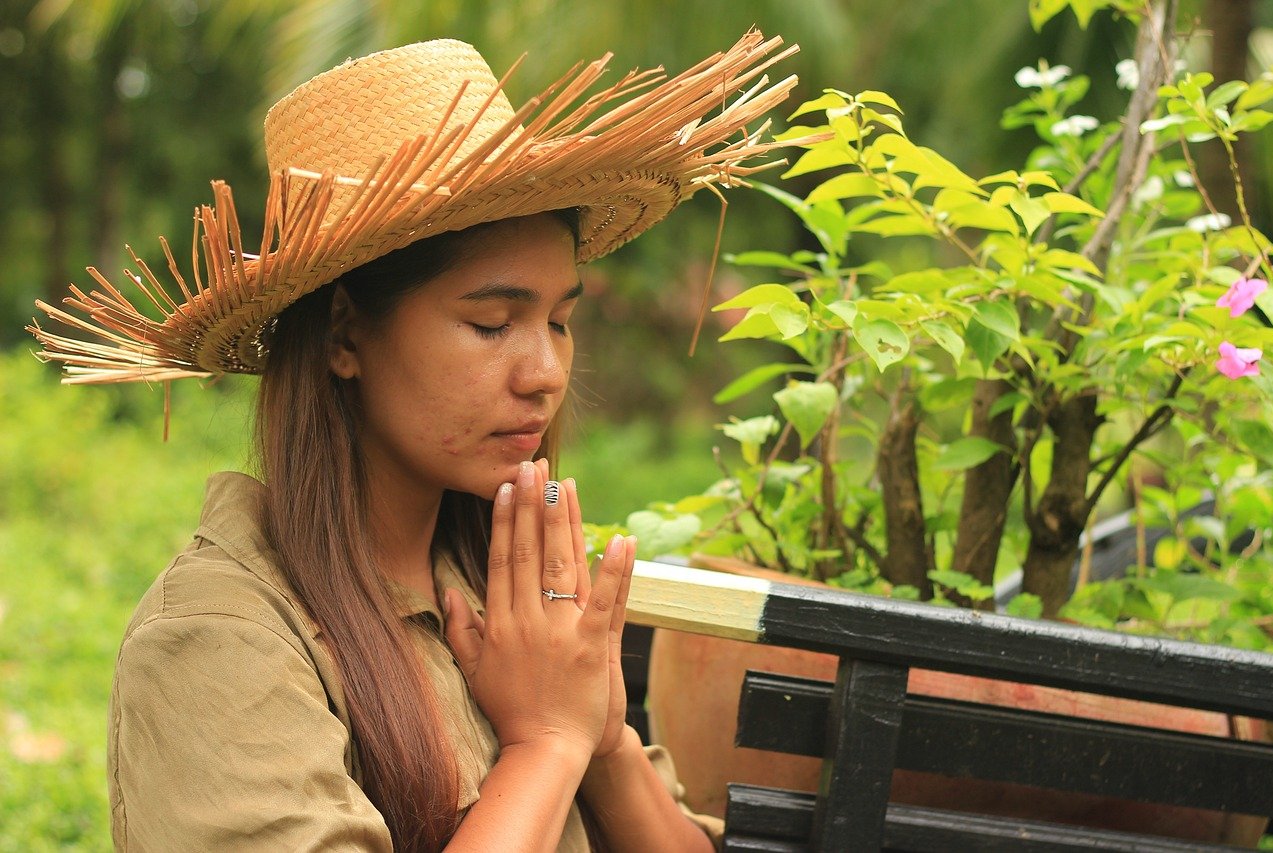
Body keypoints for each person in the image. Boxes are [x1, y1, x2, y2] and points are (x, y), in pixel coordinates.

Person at [31, 32, 802, 851]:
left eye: (560, 321)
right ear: (343, 334)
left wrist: (602, 737)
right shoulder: (219, 642)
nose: (545, 371)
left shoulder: (508, 593)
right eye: (491, 322)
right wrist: (546, 744)